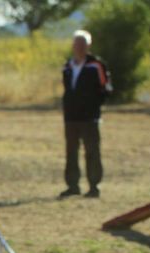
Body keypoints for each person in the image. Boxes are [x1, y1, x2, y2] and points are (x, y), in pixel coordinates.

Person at [59, 29, 112, 199]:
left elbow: (106, 88)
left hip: (90, 117)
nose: (79, 47)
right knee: (71, 152)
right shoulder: (67, 66)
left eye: (83, 44)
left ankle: (94, 186)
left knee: (92, 151)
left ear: (88, 45)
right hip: (70, 117)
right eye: (77, 44)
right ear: (73, 46)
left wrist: (94, 106)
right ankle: (72, 185)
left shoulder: (96, 65)